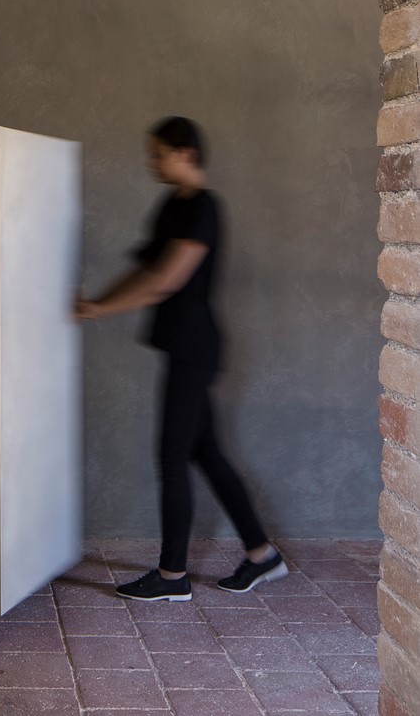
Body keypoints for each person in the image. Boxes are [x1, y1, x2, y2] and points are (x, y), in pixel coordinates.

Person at [74, 116, 287, 601]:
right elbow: (145, 269)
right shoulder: (174, 204)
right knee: (204, 453)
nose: (152, 163)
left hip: (195, 348)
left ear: (185, 153)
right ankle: (262, 555)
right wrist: (95, 304)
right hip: (182, 346)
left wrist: (103, 308)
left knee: (173, 458)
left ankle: (172, 577)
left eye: (158, 154)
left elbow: (166, 281)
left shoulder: (204, 209)